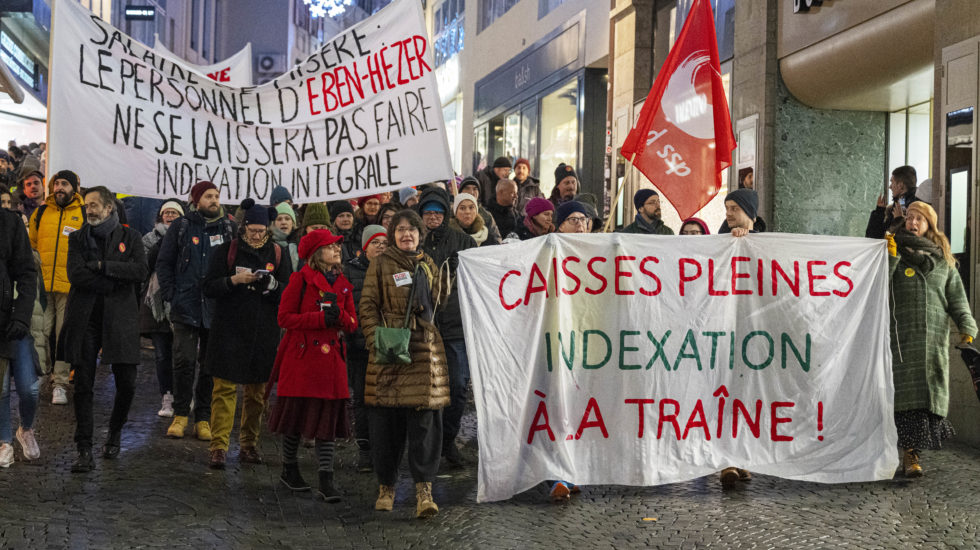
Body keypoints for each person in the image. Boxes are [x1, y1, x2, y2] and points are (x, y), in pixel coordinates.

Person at [359, 209, 449, 517]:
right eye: (401, 229)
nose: (407, 234)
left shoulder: (429, 265)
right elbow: (368, 305)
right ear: (392, 235)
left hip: (423, 353)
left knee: (425, 426)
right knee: (386, 427)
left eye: (412, 229)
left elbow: (439, 304)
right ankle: (387, 487)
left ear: (420, 234)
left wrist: (440, 281)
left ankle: (424, 491)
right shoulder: (381, 265)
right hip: (390, 354)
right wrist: (376, 340)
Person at [884, 202, 976, 477]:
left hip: (933, 341)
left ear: (929, 226)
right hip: (901, 340)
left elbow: (957, 298)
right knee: (903, 400)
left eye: (919, 219)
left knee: (925, 400)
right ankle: (908, 454)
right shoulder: (892, 249)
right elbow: (878, 286)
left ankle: (912, 453)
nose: (913, 222)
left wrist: (966, 326)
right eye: (910, 217)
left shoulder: (943, 262)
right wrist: (889, 257)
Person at [60, 186, 147, 472]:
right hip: (85, 319)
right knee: (83, 383)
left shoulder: (131, 237)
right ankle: (83, 448)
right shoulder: (78, 238)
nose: (90, 209)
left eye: (95, 204)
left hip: (120, 318)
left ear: (109, 207)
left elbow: (139, 271)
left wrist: (101, 265)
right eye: (87, 205)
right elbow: (76, 275)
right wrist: (113, 281)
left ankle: (115, 430)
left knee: (128, 382)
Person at [268, 229, 356, 501]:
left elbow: (353, 324)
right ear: (317, 253)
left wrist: (339, 315)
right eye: (331, 247)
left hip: (331, 364)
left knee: (326, 424)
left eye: (337, 247)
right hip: (303, 361)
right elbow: (284, 318)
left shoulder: (343, 284)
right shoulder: (300, 280)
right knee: (295, 419)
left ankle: (325, 480)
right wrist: (318, 319)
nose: (337, 250)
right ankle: (289, 469)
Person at [203, 199, 291, 469]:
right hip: (228, 330)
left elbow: (288, 293)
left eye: (260, 231)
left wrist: (273, 284)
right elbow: (208, 286)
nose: (256, 235)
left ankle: (249, 444)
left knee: (257, 393)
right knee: (224, 390)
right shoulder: (226, 251)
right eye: (252, 230)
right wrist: (233, 281)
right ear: (243, 228)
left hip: (262, 332)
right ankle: (219, 446)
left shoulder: (278, 253)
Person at [156, 181, 237, 440]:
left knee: (209, 366)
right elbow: (164, 262)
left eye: (216, 196)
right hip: (185, 305)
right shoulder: (181, 227)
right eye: (209, 196)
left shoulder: (228, 228)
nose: (214, 200)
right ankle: (180, 414)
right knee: (184, 361)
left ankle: (203, 418)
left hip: (216, 308)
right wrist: (171, 294)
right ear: (196, 200)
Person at [416, 188, 476, 469]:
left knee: (458, 385)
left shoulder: (463, 241)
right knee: (424, 390)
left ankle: (448, 441)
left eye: (437, 213)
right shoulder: (414, 242)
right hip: (421, 327)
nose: (433, 218)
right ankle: (425, 445)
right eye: (428, 213)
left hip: (455, 326)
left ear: (445, 214)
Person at [29, 170, 84, 405]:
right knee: (41, 332)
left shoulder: (82, 213)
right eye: (56, 183)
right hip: (42, 284)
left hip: (68, 285)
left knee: (63, 334)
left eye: (64, 183)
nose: (60, 187)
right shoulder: (41, 212)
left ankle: (60, 382)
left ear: (74, 188)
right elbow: (30, 244)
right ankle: (44, 373)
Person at [718, 188, 759, 487]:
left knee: (750, 399)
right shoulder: (718, 242)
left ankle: (743, 458)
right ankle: (726, 460)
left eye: (734, 208)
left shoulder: (768, 242)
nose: (728, 213)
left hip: (757, 336)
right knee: (724, 396)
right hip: (722, 334)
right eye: (726, 207)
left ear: (750, 213)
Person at [342, 224, 387, 473]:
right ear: (365, 246)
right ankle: (366, 451)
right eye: (375, 242)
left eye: (384, 242)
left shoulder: (393, 268)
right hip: (359, 346)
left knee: (384, 401)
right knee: (362, 400)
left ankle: (384, 449)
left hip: (387, 345)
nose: (380, 247)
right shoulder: (350, 271)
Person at [0, 201, 38, 467]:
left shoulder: (10, 223)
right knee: (0, 389)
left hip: (13, 319)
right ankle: (3, 442)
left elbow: (26, 273)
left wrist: (22, 316)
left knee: (29, 389)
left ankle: (25, 429)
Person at [140, 200, 184, 417]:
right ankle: (166, 396)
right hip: (155, 306)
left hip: (180, 302)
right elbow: (145, 265)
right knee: (162, 355)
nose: (170, 216)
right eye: (166, 212)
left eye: (174, 213)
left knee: (182, 354)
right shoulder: (148, 240)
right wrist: (164, 244)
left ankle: (184, 395)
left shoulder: (188, 239)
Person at [866, 165, 918, 239]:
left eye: (892, 182)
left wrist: (898, 221)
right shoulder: (902, 203)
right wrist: (880, 210)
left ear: (900, 185)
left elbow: (876, 238)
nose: (890, 187)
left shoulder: (902, 206)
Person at [271, 203, 300, 271]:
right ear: (273, 223)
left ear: (293, 223)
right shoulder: (268, 244)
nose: (283, 222)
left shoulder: (301, 243)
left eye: (287, 219)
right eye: (279, 219)